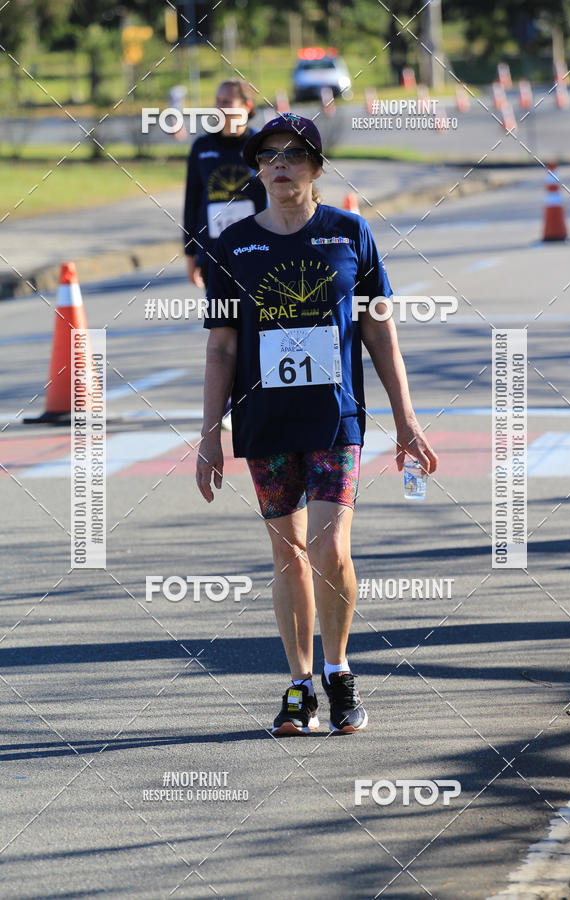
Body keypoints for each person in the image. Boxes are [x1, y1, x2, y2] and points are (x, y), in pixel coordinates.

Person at [196, 113, 438, 735]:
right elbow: (222, 347)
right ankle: (299, 683)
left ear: (316, 168)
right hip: (264, 420)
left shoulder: (349, 234)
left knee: (331, 547)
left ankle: (339, 671)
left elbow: (380, 329)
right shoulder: (230, 247)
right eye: (269, 155)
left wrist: (406, 418)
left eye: (295, 154)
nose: (281, 164)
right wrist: (208, 434)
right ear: (257, 168)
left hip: (336, 418)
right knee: (288, 556)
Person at [183, 79, 268, 289]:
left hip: (256, 251)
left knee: (254, 320)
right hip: (213, 253)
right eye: (217, 100)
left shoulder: (261, 145)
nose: (219, 107)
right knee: (221, 319)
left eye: (227, 101)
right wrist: (190, 255)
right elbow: (191, 203)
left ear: (246, 107)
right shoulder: (201, 147)